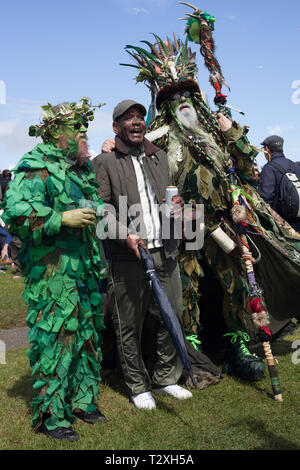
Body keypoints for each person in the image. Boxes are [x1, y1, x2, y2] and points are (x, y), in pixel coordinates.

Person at [102, 14, 300, 382]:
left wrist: (235, 134)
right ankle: (188, 350)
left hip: (227, 221)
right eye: (172, 97)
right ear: (165, 104)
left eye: (186, 93)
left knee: (236, 286)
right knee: (187, 289)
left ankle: (236, 345)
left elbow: (247, 167)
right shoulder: (156, 137)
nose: (181, 101)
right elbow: (130, 158)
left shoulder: (215, 130)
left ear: (196, 96)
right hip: (184, 224)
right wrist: (111, 145)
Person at [92, 99, 210, 410]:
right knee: (128, 323)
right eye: (128, 118)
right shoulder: (104, 162)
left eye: (140, 117)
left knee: (168, 317)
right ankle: (137, 384)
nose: (136, 122)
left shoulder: (159, 158)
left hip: (165, 251)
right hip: (128, 255)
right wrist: (124, 234)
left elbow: (169, 201)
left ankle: (165, 378)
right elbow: (100, 210)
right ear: (116, 127)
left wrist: (180, 209)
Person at [1, 98, 107, 441]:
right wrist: (60, 218)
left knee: (86, 335)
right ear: (56, 132)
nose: (82, 135)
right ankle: (52, 414)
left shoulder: (81, 167)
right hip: (53, 273)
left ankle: (82, 400)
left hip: (85, 269)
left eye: (84, 129)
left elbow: (89, 204)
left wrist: (95, 210)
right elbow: (15, 213)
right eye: (76, 129)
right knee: (57, 338)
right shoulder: (36, 165)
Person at [258, 135, 300, 233]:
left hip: (284, 227)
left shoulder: (269, 168)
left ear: (267, 149)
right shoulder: (295, 166)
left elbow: (266, 198)